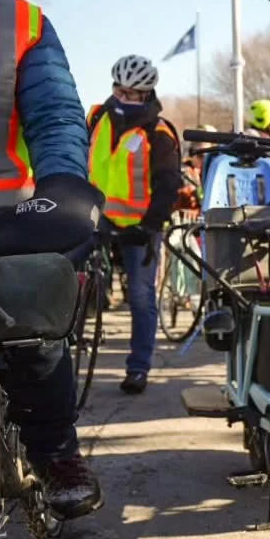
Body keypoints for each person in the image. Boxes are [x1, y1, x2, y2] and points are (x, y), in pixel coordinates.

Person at [0, 0, 105, 518]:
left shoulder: (12, 19)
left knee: (31, 327)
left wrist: (64, 183)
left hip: (2, 220)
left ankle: (54, 453)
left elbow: (56, 117)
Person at [89, 55, 182, 394]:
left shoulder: (158, 132)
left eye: (133, 94)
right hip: (96, 220)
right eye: (119, 90)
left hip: (139, 227)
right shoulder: (97, 117)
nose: (124, 99)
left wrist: (150, 225)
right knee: (66, 280)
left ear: (147, 94)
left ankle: (138, 368)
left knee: (141, 298)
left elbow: (168, 184)